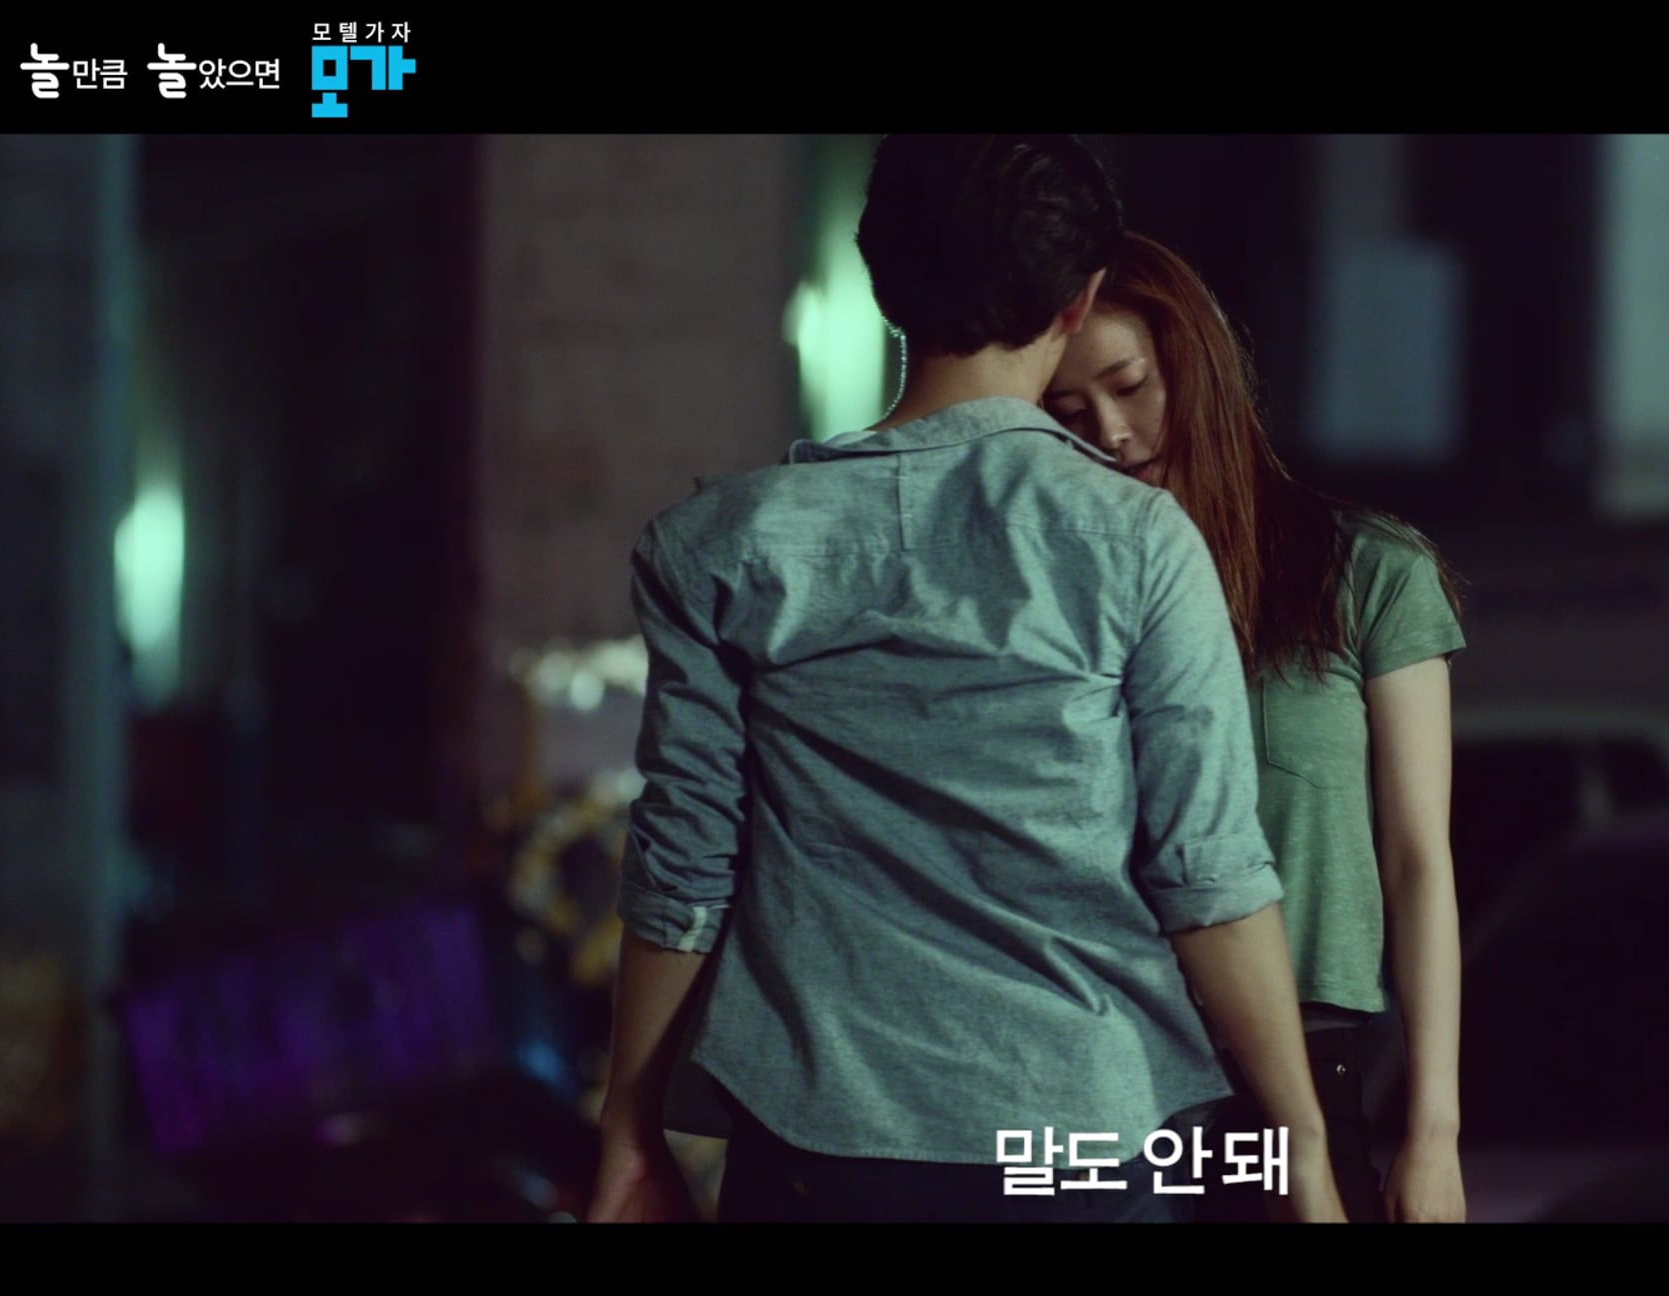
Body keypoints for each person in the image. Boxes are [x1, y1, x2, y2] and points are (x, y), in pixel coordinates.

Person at [584, 137, 1346, 1223]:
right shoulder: (1137, 541)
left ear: (885, 286)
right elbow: (1208, 871)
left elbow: (684, 863)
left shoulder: (719, 545)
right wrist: (1300, 1149)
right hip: (1079, 1140)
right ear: (1079, 300)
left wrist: (629, 1131)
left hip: (819, 1143)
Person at [1043, 231, 1469, 1223]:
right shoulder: (1057, 593)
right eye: (1068, 412)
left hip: (1304, 1046)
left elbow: (1418, 861)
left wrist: (1434, 1132)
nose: (1111, 432)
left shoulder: (1364, 570)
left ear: (1194, 364)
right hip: (1098, 1048)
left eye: (1130, 385)